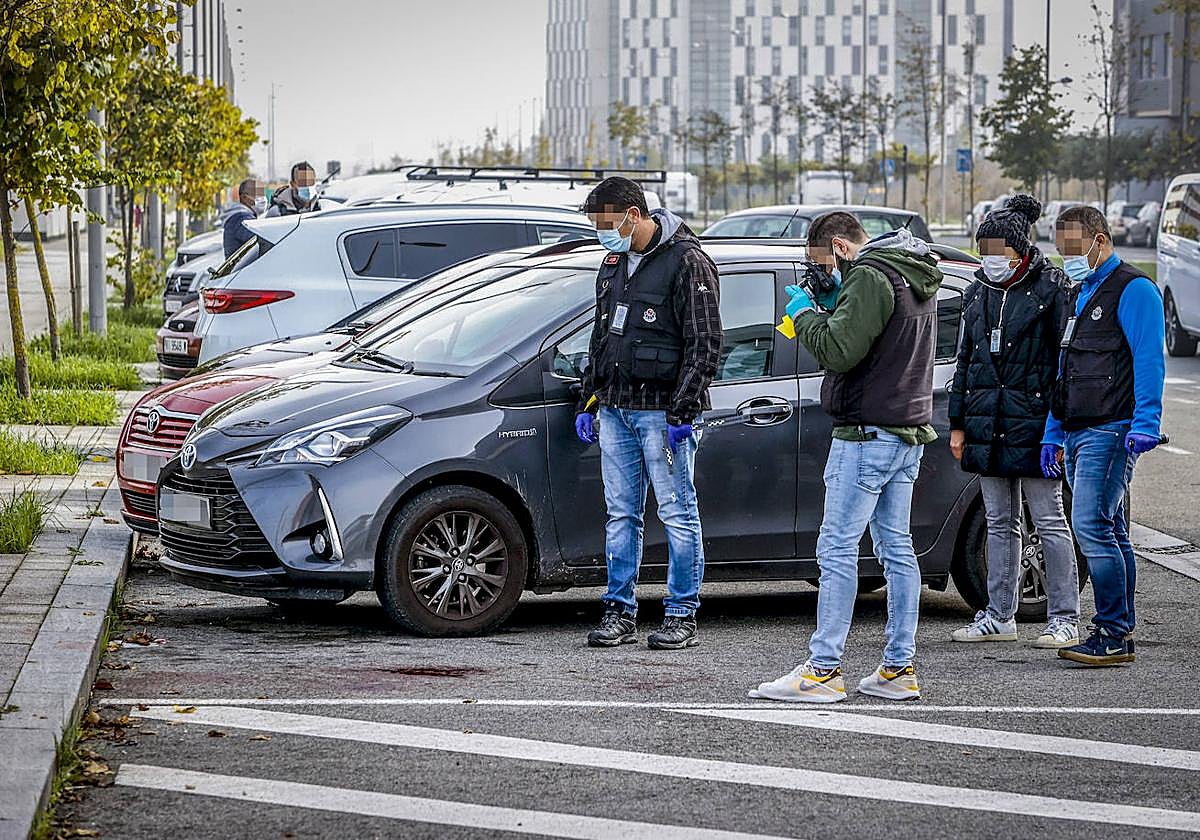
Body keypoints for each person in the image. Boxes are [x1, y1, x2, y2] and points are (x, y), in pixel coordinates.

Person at [750, 212, 942, 703]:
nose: (825, 271)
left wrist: (807, 314)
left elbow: (839, 350)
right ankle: (898, 669)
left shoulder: (871, 275)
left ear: (838, 245)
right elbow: (878, 339)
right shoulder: (909, 270)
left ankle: (822, 669)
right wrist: (838, 303)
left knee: (835, 550)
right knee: (896, 549)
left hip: (865, 434)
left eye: (823, 262)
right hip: (905, 431)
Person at [575, 176, 722, 650]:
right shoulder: (614, 262)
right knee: (621, 515)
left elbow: (705, 344)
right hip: (616, 409)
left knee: (678, 513)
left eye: (607, 223)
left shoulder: (688, 262)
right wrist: (588, 397)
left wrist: (683, 412)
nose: (603, 233)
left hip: (664, 415)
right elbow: (601, 338)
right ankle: (620, 609)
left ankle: (681, 613)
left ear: (633, 215)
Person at [947, 195, 1080, 648]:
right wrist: (958, 423)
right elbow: (965, 362)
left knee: (1049, 519)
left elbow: (1065, 365)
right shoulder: (977, 292)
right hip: (988, 423)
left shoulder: (1053, 289)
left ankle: (1064, 617)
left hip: (1037, 426)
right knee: (1000, 522)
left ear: (1020, 250)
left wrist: (1057, 429)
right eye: (983, 249)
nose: (989, 259)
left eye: (997, 250)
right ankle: (998, 614)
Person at [1045, 204, 1165, 667]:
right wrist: (1053, 434)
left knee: (1091, 528)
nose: (1065, 256)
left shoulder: (1134, 289)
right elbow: (1066, 369)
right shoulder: (1081, 292)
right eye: (1060, 250)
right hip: (1077, 429)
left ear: (1099, 239)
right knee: (1110, 529)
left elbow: (1150, 362)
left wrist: (1145, 425)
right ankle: (1119, 630)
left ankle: (1112, 633)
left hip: (1110, 430)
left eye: (1072, 248)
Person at [223, 178, 265, 258]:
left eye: (261, 194)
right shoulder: (242, 218)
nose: (261, 198)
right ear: (244, 197)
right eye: (256, 194)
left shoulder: (241, 215)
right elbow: (262, 242)